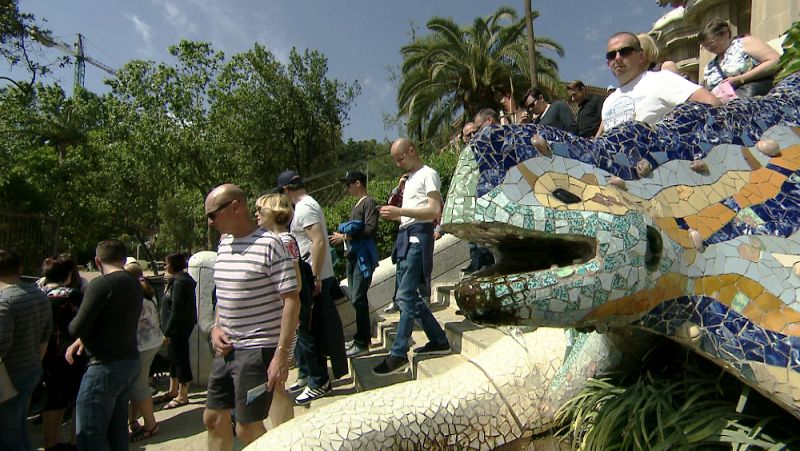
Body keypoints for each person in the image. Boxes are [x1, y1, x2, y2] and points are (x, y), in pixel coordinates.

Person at [202, 184, 300, 450]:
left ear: (236, 206)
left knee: (247, 428)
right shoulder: (224, 244)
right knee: (212, 418)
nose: (210, 222)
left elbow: (292, 299)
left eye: (213, 215)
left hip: (257, 350)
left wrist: (281, 355)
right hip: (227, 348)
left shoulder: (271, 244)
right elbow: (222, 293)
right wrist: (216, 327)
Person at [373, 138, 451, 376]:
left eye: (400, 158)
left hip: (418, 238)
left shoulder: (429, 173)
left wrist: (401, 212)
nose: (399, 164)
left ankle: (399, 352)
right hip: (407, 237)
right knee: (410, 297)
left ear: (411, 151)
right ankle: (438, 339)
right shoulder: (410, 180)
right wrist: (395, 215)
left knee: (406, 295)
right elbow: (413, 213)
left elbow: (434, 210)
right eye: (396, 161)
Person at [277, 171, 347, 405]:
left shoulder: (305, 208)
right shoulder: (307, 206)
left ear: (285, 190)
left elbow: (318, 241)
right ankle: (309, 375)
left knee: (311, 332)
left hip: (314, 279)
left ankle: (319, 382)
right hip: (313, 277)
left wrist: (315, 276)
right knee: (310, 331)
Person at [66, 239, 143, 451]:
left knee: (90, 432)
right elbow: (113, 319)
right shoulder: (134, 283)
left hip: (104, 366)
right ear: (124, 259)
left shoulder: (100, 284)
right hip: (128, 360)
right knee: (117, 431)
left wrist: (78, 333)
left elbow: (76, 327)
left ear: (97, 261)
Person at [598, 32, 721, 135]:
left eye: (624, 51)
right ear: (608, 63)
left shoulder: (661, 80)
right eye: (611, 55)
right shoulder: (608, 102)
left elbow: (713, 104)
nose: (618, 58)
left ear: (640, 56)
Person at [0, 250, 52, 451]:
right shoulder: (37, 294)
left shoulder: (5, 302)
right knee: (19, 428)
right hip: (30, 369)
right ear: (20, 268)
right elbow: (45, 336)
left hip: (8, 378)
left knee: (8, 436)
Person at [330, 170, 379, 358]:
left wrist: (345, 236)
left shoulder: (369, 202)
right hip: (352, 256)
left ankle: (363, 340)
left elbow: (370, 228)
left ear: (358, 183)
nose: (347, 188)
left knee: (359, 298)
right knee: (356, 298)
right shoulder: (357, 204)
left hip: (362, 258)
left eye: (349, 184)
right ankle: (361, 337)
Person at [40, 255, 87, 451]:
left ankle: (50, 443)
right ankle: (76, 441)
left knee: (53, 398)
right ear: (69, 275)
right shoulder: (73, 296)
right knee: (77, 397)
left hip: (46, 352)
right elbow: (85, 322)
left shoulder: (38, 294)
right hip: (71, 350)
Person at [123, 262, 162, 442]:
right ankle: (133, 419)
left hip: (143, 346)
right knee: (135, 385)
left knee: (139, 387)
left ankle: (151, 424)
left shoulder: (136, 296)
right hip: (151, 343)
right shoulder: (147, 291)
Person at [699, 19, 779, 97]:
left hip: (750, 97)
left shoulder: (744, 43)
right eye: (705, 46)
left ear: (725, 33)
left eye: (711, 43)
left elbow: (775, 60)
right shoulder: (710, 66)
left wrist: (741, 79)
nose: (709, 48)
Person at [159, 253, 197, 410]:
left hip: (178, 328)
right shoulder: (175, 281)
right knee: (173, 358)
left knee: (180, 358)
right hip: (174, 327)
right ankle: (173, 389)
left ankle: (183, 395)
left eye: (166, 263)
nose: (164, 266)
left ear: (173, 264)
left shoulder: (181, 283)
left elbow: (176, 311)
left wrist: (167, 332)